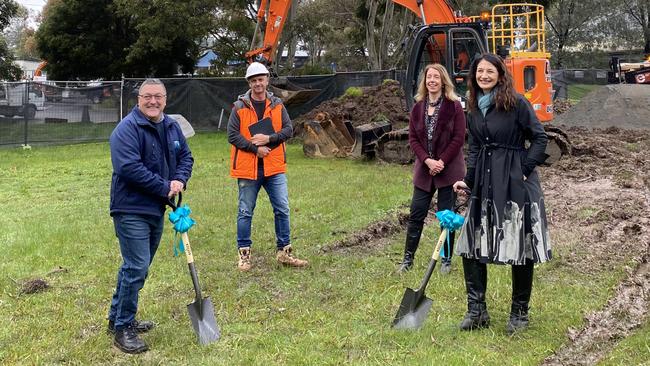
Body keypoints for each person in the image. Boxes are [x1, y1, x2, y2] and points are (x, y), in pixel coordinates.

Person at [452, 53, 551, 335]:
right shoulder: (472, 107)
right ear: (473, 76)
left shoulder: (516, 102)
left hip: (514, 183)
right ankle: (477, 310)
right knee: (471, 245)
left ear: (500, 74)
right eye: (479, 71)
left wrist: (524, 168)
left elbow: (540, 137)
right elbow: (473, 148)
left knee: (520, 247)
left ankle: (519, 314)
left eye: (489, 71)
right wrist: (467, 180)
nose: (484, 76)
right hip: (484, 181)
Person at [107, 79, 193, 354]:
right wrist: (164, 186)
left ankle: (116, 318)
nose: (153, 101)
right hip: (130, 208)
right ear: (139, 99)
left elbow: (185, 158)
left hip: (156, 208)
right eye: (147, 96)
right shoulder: (127, 129)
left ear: (165, 100)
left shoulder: (171, 126)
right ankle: (123, 327)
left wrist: (179, 179)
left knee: (135, 267)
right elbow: (129, 167)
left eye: (158, 96)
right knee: (137, 267)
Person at [227, 62, 308, 271]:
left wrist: (268, 139)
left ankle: (285, 252)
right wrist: (256, 149)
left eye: (261, 79)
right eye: (253, 81)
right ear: (249, 83)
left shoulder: (278, 105)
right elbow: (232, 135)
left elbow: (289, 130)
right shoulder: (239, 107)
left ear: (267, 80)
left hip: (274, 168)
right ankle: (244, 255)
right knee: (245, 211)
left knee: (282, 208)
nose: (258, 84)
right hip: (249, 169)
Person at [397, 63, 466, 274]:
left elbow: (459, 138)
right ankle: (408, 259)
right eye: (429, 77)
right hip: (425, 171)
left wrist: (441, 162)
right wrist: (427, 161)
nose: (432, 80)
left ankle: (445, 260)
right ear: (425, 82)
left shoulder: (454, 106)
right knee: (416, 214)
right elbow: (413, 138)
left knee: (446, 216)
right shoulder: (418, 107)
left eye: (436, 77)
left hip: (448, 170)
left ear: (443, 80)